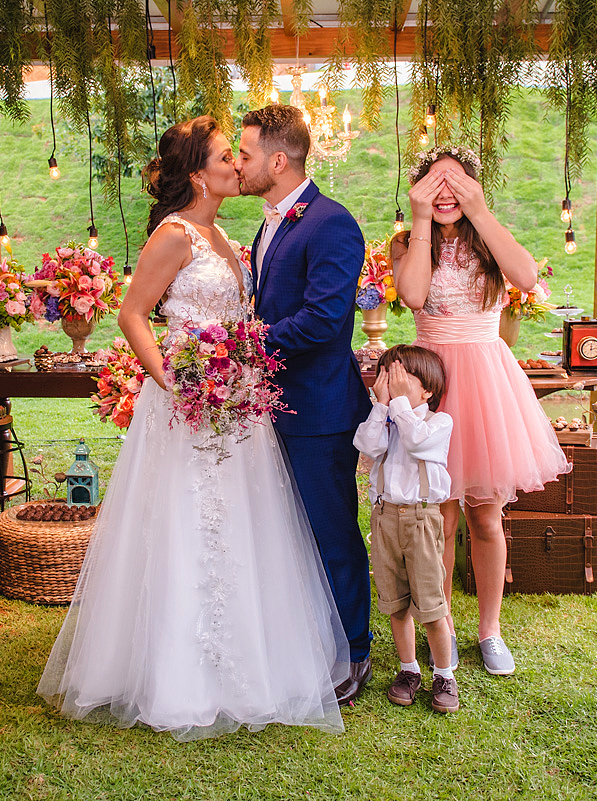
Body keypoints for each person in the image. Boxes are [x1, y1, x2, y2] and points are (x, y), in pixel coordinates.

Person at [38, 116, 349, 741]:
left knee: (246, 525)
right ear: (198, 173)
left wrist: (231, 371)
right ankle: (177, 671)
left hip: (236, 405)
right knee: (185, 524)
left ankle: (252, 662)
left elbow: (244, 324)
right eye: (225, 155)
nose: (237, 163)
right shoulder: (174, 235)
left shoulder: (228, 238)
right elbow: (132, 315)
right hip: (188, 405)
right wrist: (172, 382)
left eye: (241, 153)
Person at [391, 146, 570, 676]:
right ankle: (439, 624)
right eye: (433, 183)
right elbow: (415, 295)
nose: (445, 192)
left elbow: (526, 275)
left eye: (456, 183)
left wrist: (481, 210)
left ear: (473, 187)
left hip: (488, 380)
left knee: (486, 515)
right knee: (439, 518)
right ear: (419, 188)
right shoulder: (407, 240)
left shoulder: (489, 235)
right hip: (434, 382)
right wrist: (421, 219)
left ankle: (489, 629)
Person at [237, 105, 375, 704]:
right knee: (287, 533)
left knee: (332, 531)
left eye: (244, 155)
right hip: (270, 406)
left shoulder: (331, 223)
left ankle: (354, 652)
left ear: (277, 160)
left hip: (317, 411)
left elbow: (324, 322)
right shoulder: (267, 225)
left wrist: (246, 342)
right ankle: (307, 642)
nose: (237, 165)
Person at [353, 345, 459, 713]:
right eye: (386, 376)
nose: (391, 383)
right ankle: (408, 668)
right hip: (385, 519)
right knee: (395, 600)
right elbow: (365, 445)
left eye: (400, 377)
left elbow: (416, 442)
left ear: (427, 390)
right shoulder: (384, 420)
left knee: (430, 602)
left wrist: (396, 404)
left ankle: (444, 674)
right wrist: (382, 406)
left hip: (421, 519)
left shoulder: (437, 423)